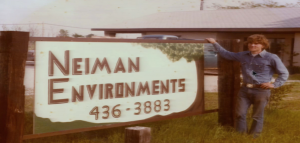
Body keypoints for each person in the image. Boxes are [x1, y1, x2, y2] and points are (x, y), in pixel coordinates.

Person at [206, 34, 289, 138]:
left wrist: (274, 85)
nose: (252, 45)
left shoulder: (271, 57)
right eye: (250, 43)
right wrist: (214, 43)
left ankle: (254, 137)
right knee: (240, 114)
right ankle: (241, 136)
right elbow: (227, 54)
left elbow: (284, 73)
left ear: (263, 45)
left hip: (261, 91)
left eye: (256, 43)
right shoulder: (243, 55)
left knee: (257, 116)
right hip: (245, 90)